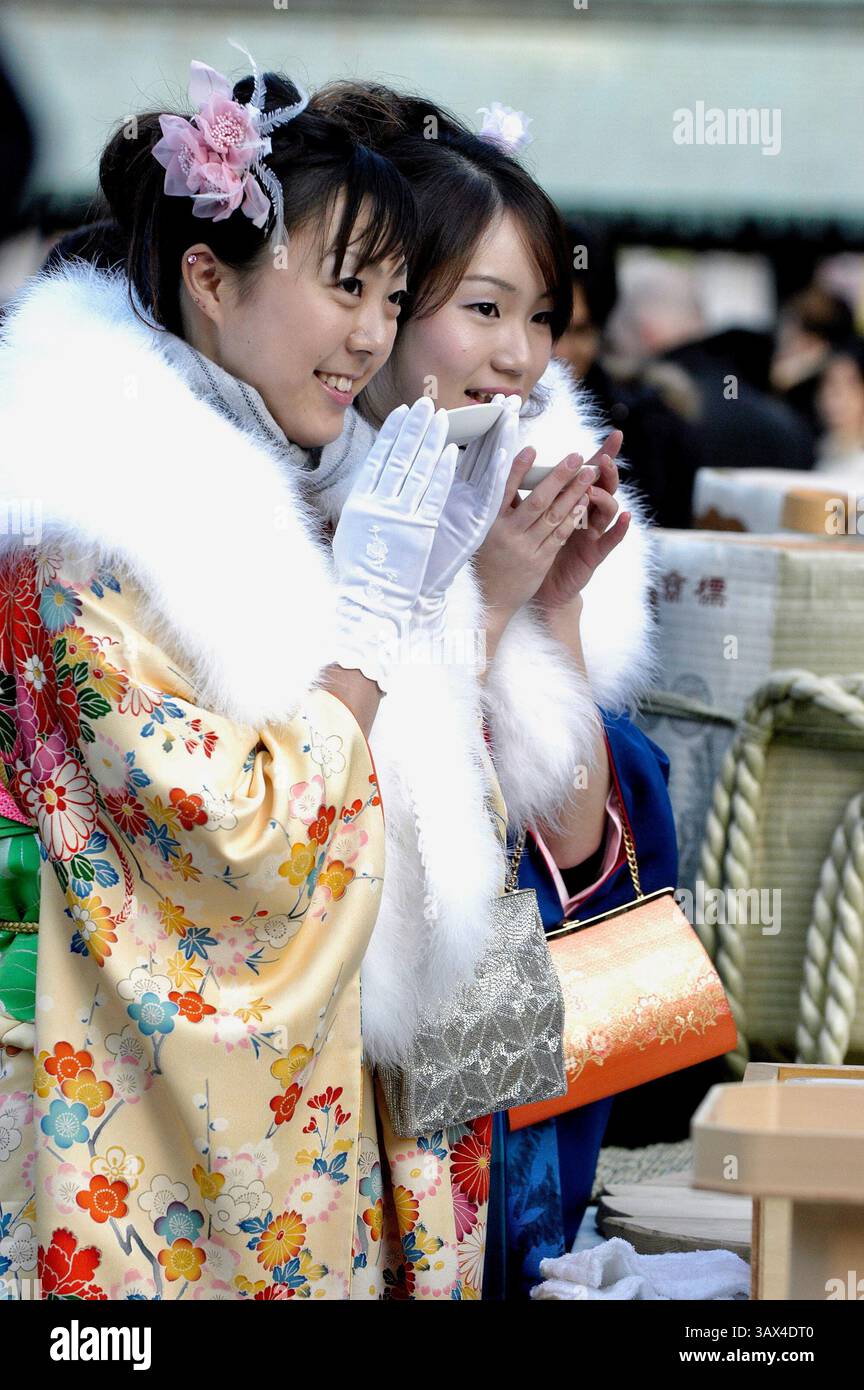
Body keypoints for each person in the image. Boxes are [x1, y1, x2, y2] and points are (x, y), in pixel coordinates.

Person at [0, 56, 520, 1301]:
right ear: (208, 275)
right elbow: (239, 840)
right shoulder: (100, 514)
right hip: (107, 1093)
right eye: (346, 285)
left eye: (395, 297)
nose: (370, 336)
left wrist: (451, 611)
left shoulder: (301, 486)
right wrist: (373, 637)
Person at [313, 82, 678, 1297]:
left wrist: (554, 599)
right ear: (380, 305)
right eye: (483, 308)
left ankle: (543, 1236)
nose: (521, 353)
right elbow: (338, 796)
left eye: (541, 316)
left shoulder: (516, 481)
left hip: (504, 1057)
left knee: (637, 768)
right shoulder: (301, 510)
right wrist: (488, 604)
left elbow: (583, 868)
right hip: (341, 1033)